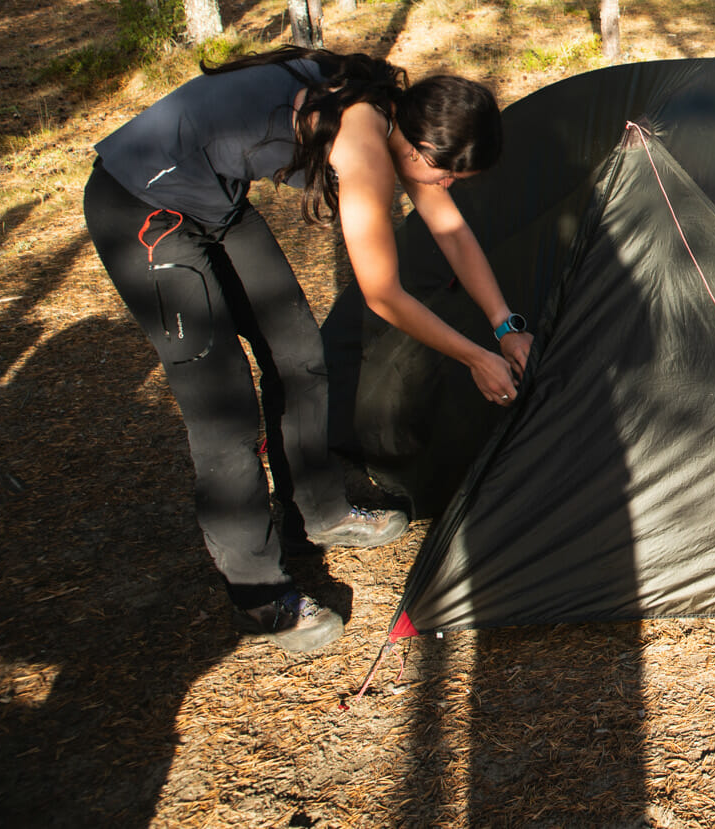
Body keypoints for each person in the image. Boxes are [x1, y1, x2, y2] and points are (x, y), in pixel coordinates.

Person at [83, 47, 533, 653]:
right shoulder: (366, 142)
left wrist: (505, 325)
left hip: (211, 200)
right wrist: (476, 356)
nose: (445, 187)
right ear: (419, 146)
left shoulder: (395, 115)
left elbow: (448, 228)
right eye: (445, 174)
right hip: (140, 207)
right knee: (224, 409)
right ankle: (259, 594)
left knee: (299, 354)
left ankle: (318, 512)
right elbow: (382, 295)